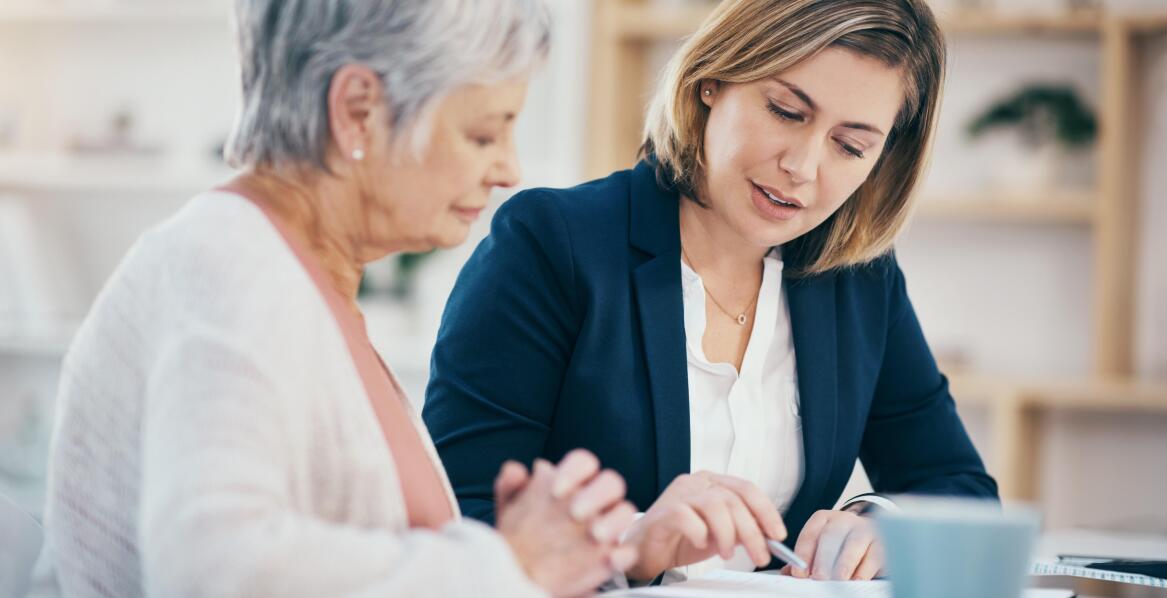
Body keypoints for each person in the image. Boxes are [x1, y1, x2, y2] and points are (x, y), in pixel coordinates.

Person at [34, 1, 637, 597]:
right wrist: (504, 564)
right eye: (483, 133)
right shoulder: (227, 265)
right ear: (357, 112)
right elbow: (218, 570)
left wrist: (573, 555)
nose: (508, 169)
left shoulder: (298, 281)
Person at [423, 0, 998, 585]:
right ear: (713, 81)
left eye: (850, 146)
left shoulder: (859, 281)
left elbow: (963, 493)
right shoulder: (552, 243)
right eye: (786, 111)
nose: (802, 166)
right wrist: (635, 544)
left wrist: (882, 521)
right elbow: (454, 514)